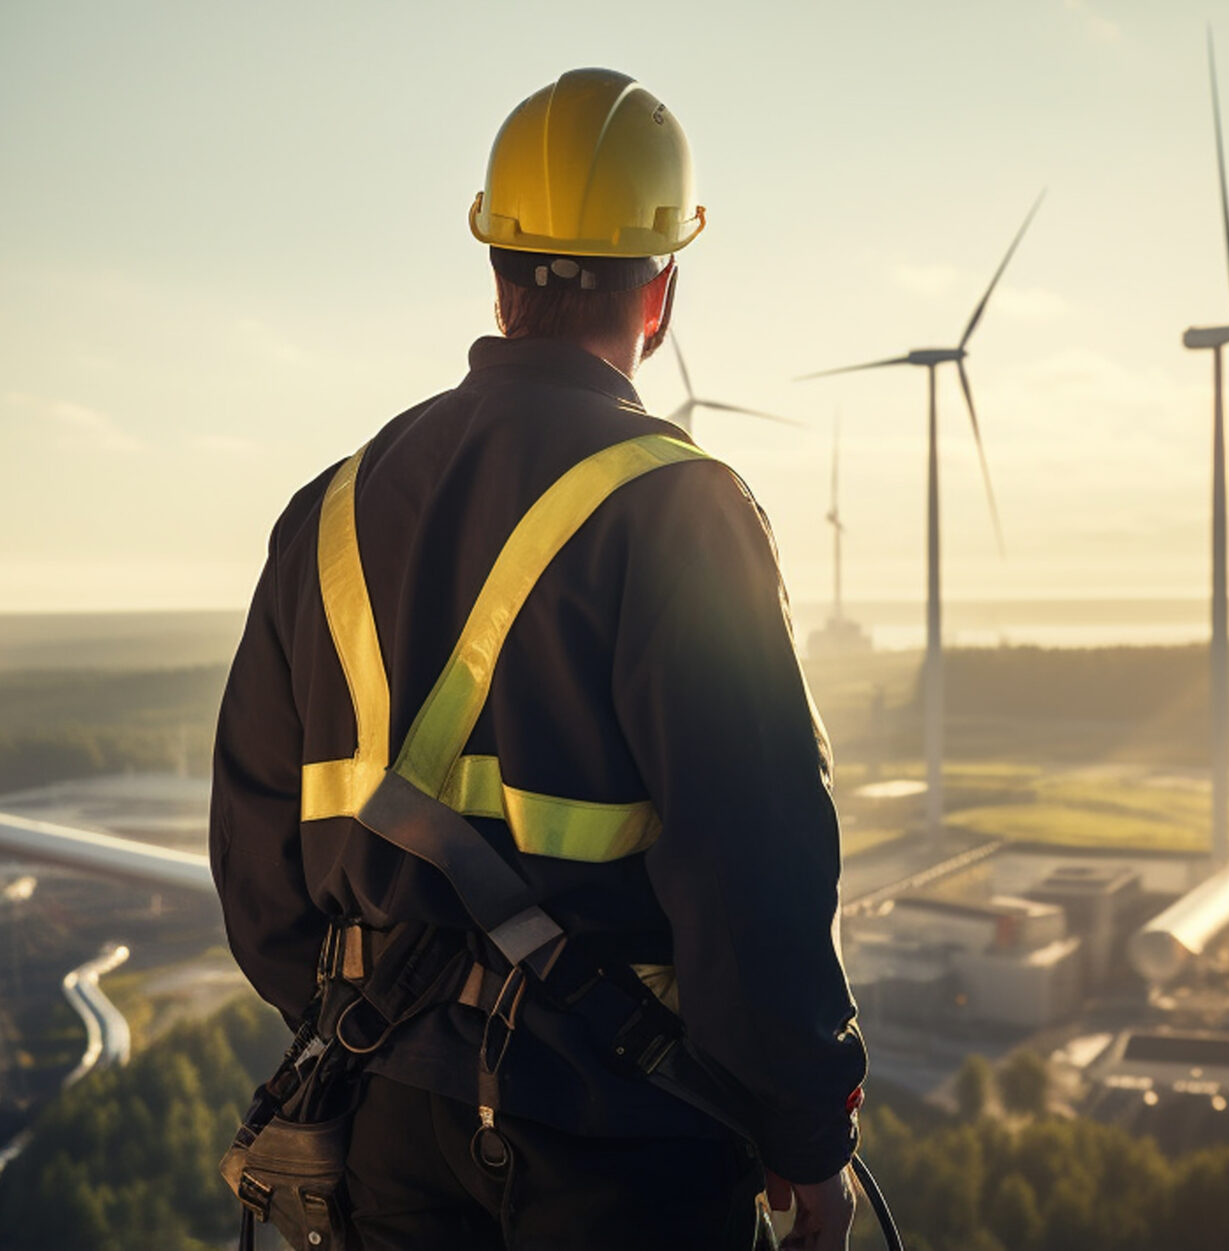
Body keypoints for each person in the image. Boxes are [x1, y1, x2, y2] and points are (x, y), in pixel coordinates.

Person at [210, 67, 865, 1251]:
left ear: (498, 271)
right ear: (659, 290)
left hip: (386, 1126)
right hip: (621, 1139)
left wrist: (384, 1023)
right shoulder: (680, 508)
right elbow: (753, 853)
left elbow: (257, 855)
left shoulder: (328, 510)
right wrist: (805, 1127)